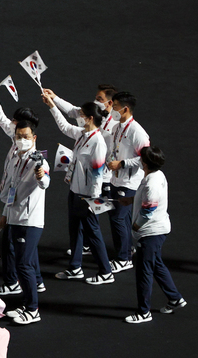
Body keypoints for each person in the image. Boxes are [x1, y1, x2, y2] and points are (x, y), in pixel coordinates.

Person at [43, 95, 114, 285]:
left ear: (90, 118)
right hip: (75, 191)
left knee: (93, 233)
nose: (79, 116)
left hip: (87, 196)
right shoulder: (83, 134)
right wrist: (52, 106)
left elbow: (98, 173)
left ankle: (106, 271)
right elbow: (64, 127)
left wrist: (93, 200)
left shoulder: (98, 142)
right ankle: (75, 267)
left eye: (82, 114)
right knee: (75, 231)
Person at [0, 88, 46, 296]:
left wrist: (42, 177)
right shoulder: (16, 141)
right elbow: (0, 119)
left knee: (18, 252)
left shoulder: (35, 156)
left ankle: (22, 285)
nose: (10, 123)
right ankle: (35, 281)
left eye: (14, 121)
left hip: (25, 214)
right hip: (11, 205)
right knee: (23, 251)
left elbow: (44, 180)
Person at [123, 146, 186, 324]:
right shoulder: (157, 176)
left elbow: (148, 211)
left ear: (144, 162)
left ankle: (144, 312)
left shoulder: (151, 182)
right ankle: (175, 298)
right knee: (157, 264)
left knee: (144, 272)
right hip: (158, 230)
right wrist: (131, 200)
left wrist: (134, 227)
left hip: (150, 233)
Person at [1, 121, 50, 325]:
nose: (22, 140)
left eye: (26, 136)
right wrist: (5, 213)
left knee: (25, 264)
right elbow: (11, 188)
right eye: (19, 136)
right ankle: (25, 303)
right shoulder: (15, 159)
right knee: (21, 265)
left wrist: (41, 176)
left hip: (29, 221)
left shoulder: (39, 161)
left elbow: (44, 181)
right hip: (14, 217)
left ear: (34, 138)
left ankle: (33, 309)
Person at [106, 92, 150, 274]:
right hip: (116, 179)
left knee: (118, 218)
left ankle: (123, 259)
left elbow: (146, 159)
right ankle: (127, 250)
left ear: (125, 109)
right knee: (119, 218)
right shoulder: (117, 127)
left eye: (114, 106)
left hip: (130, 183)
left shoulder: (137, 132)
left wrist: (122, 164)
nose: (112, 109)